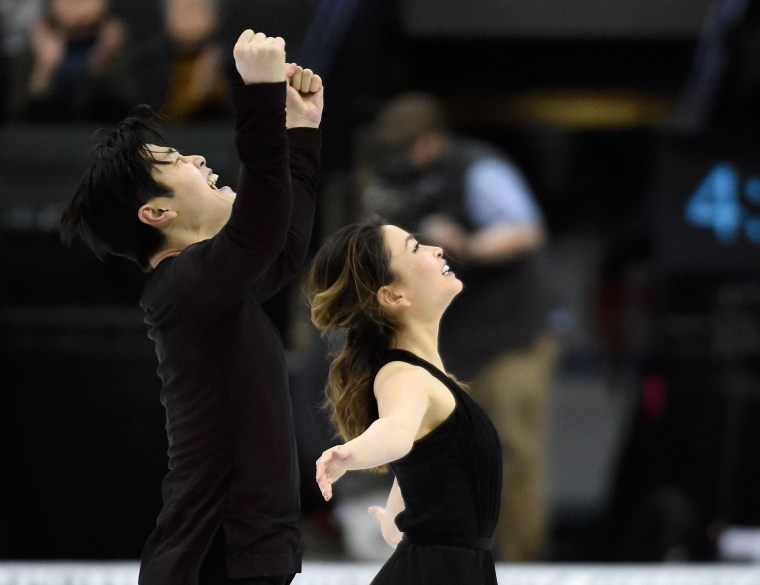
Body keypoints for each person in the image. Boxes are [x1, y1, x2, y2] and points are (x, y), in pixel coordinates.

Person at [59, 28, 323, 585]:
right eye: (175, 157)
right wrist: (257, 91)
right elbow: (261, 227)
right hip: (214, 561)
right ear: (156, 214)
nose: (199, 156)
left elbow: (281, 248)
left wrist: (297, 131)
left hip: (230, 557)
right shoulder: (187, 289)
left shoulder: (206, 291)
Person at [360, 92, 559, 562]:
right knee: (450, 453)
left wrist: (465, 244)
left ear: (431, 141)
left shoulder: (478, 169)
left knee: (514, 449)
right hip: (454, 342)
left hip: (513, 336)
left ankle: (524, 562)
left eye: (406, 147)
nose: (399, 157)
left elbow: (525, 230)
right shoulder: (400, 183)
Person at [304, 218, 503, 584]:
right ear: (394, 296)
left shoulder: (427, 377)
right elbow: (395, 430)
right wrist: (353, 454)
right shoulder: (405, 376)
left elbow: (421, 464)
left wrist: (398, 523)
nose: (436, 249)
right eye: (415, 248)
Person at [6, 0, 137, 123]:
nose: (75, 3)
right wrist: (44, 70)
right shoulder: (38, 42)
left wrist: (102, 62)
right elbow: (18, 118)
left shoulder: (116, 43)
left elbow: (126, 114)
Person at [132, 0, 232, 123]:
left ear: (213, 18)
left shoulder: (229, 60)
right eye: (179, 10)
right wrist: (195, 94)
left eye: (194, 10)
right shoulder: (150, 59)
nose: (187, 18)